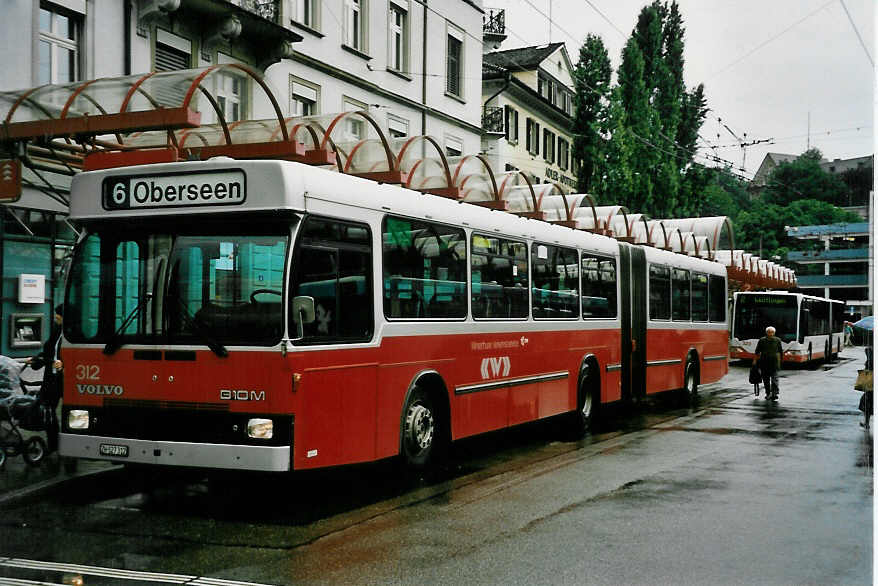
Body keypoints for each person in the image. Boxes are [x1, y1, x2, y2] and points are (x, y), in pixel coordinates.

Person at [25, 304, 64, 453]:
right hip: (52, 378)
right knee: (49, 410)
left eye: (58, 315)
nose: (55, 317)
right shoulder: (56, 331)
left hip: (65, 379)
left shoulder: (72, 333)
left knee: (70, 412)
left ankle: (69, 444)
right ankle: (54, 445)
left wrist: (64, 364)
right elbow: (47, 353)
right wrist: (35, 360)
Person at [754, 325, 783, 401]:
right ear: (766, 332)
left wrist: (781, 361)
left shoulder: (778, 340)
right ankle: (768, 393)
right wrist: (755, 361)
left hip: (774, 363)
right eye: (769, 332)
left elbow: (780, 351)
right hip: (764, 363)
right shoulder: (762, 340)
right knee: (766, 380)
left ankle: (775, 393)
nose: (770, 333)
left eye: (772, 332)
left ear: (774, 333)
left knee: (774, 380)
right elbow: (757, 351)